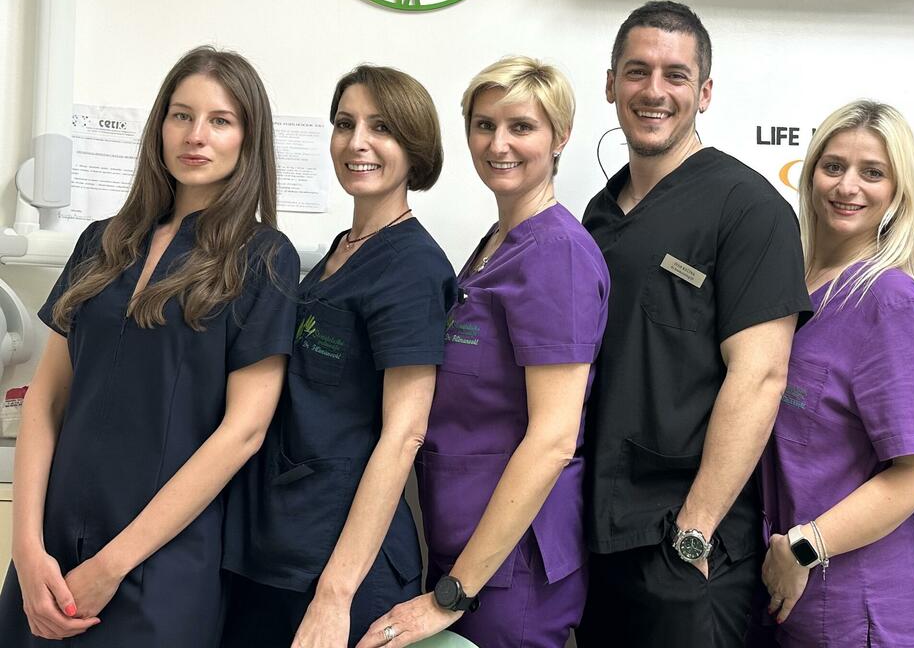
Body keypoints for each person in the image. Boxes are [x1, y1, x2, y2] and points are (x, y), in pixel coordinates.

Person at [0, 47, 299, 646]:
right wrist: (27, 548)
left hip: (160, 562)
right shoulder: (102, 242)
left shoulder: (264, 257)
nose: (196, 135)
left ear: (248, 139)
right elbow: (46, 400)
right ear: (160, 126)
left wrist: (111, 567)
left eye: (220, 120)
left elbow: (243, 432)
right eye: (181, 115)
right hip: (49, 554)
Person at [575, 1, 811, 648]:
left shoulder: (750, 208)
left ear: (704, 92)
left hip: (688, 547)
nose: (654, 91)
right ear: (611, 85)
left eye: (676, 75)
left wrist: (694, 532)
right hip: (601, 535)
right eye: (637, 71)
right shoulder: (598, 215)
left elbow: (761, 377)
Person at [359, 57, 609, 648]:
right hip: (469, 544)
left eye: (521, 127)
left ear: (560, 136)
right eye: (484, 125)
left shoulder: (557, 255)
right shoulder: (498, 244)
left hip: (511, 565)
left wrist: (454, 592)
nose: (498, 144)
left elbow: (553, 439)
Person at [221, 66, 455, 647]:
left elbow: (405, 433)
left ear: (415, 146)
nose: (357, 142)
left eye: (382, 128)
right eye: (345, 124)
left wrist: (335, 595)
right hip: (282, 545)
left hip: (342, 567)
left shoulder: (412, 267)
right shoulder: (341, 252)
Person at [758, 100, 914, 647]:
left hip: (856, 604)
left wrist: (805, 547)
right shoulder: (792, 285)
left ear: (898, 192)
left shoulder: (890, 300)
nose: (847, 186)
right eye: (834, 166)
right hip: (782, 595)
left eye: (873, 173)